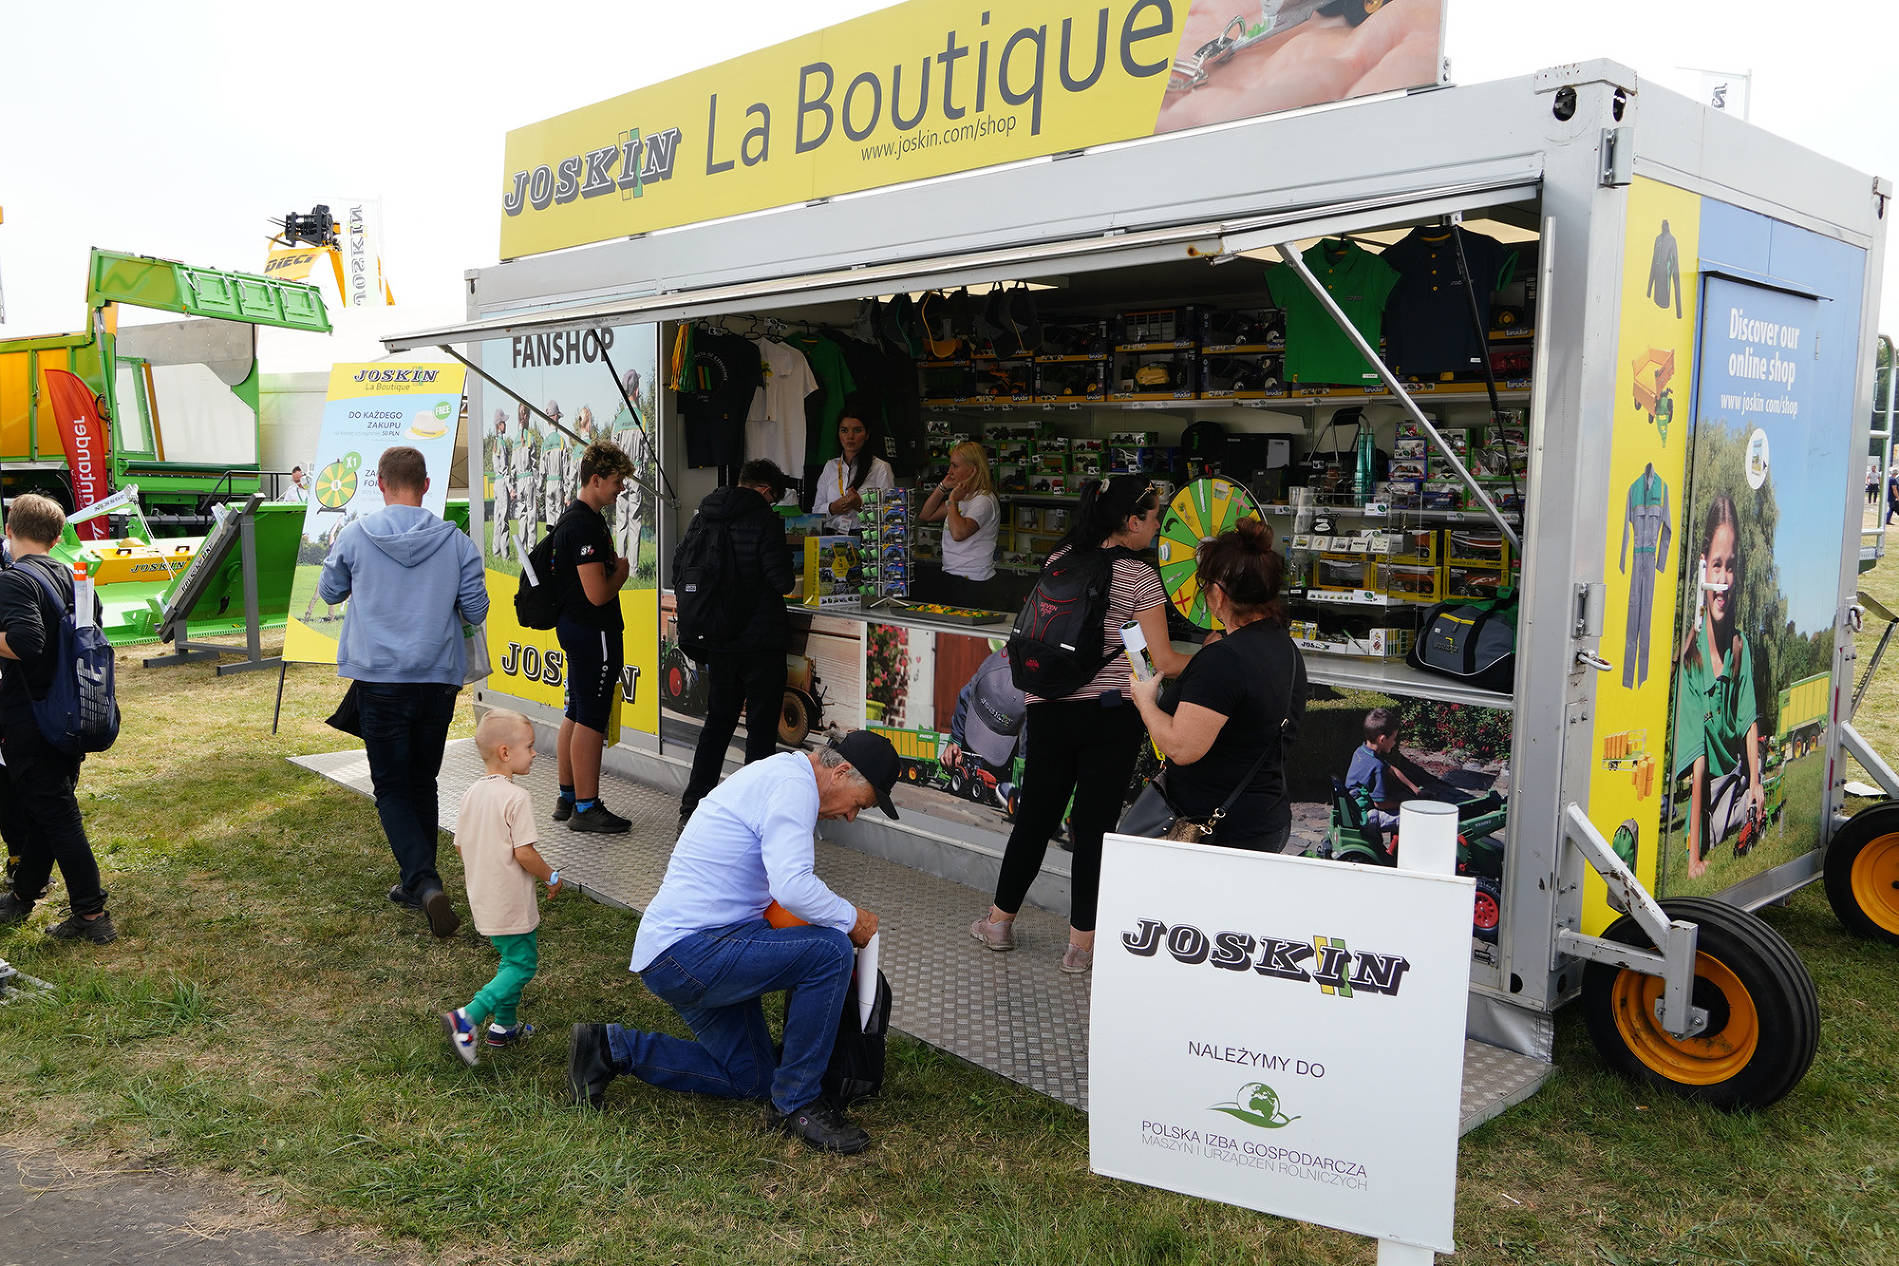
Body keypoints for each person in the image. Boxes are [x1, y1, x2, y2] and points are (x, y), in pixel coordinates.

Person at [567, 732, 899, 1155]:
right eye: (859, 804)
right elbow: (793, 887)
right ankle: (798, 1102)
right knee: (830, 951)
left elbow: (783, 892)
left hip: (685, 951)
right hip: (690, 953)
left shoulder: (783, 776)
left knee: (754, 1079)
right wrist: (852, 918)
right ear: (841, 772)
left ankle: (608, 1048)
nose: (851, 817)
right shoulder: (794, 787)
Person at [968, 475, 1193, 973]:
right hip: (1110, 716)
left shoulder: (1061, 556)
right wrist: (1215, 653)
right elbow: (1162, 661)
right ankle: (1080, 949)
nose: (1158, 526)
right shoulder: (1140, 576)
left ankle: (999, 923)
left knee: (1034, 818)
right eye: (1154, 517)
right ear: (1131, 522)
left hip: (1049, 706)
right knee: (1092, 829)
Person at [319, 446, 488, 937]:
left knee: (392, 787)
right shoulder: (456, 542)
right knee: (423, 781)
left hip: (379, 679)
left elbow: (328, 592)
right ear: (426, 485)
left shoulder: (354, 535)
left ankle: (424, 881)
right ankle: (418, 883)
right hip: (437, 678)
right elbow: (476, 611)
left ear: (380, 483)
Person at [1129, 518, 1307, 852]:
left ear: (1218, 594)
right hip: (1265, 818)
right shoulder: (1284, 648)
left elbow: (1181, 747)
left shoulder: (1225, 659)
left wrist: (1146, 702)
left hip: (1217, 830)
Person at [0, 493, 116, 943]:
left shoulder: (14, 580)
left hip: (33, 716)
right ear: (58, 535)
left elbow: (26, 643)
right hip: (75, 711)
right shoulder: (73, 577)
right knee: (48, 810)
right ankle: (23, 895)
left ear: (10, 529)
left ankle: (90, 914)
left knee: (58, 814)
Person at [677, 459, 798, 830]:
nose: (772, 504)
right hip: (761, 641)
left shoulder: (704, 515)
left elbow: (680, 566)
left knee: (717, 725)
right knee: (760, 732)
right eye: (773, 498)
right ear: (765, 490)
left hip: (719, 640)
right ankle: (752, 818)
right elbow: (782, 581)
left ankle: (692, 810)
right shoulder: (764, 520)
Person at [442, 709, 564, 1064]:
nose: (535, 753)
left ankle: (504, 1026)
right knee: (522, 965)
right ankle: (468, 1017)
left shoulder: (471, 793)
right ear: (506, 752)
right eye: (529, 746)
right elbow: (524, 852)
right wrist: (550, 876)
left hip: (483, 895)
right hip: (510, 899)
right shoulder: (516, 797)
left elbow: (461, 845)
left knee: (511, 959)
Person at [1674, 494, 1764, 879]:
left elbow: (1748, 719)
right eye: (1716, 565)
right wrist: (1694, 857)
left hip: (1737, 775)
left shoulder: (1740, 646)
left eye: (1730, 567)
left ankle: (1749, 800)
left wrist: (1756, 783)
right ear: (1703, 568)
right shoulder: (1691, 661)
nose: (1723, 580)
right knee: (1718, 828)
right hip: (1708, 789)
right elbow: (1697, 761)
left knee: (1754, 803)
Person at [550, 440, 637, 834]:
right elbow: (598, 593)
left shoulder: (578, 517)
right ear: (596, 479)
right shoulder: (583, 524)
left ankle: (568, 797)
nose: (621, 489)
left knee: (576, 710)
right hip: (593, 632)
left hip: (577, 629)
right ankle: (586, 807)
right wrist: (622, 572)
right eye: (617, 481)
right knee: (591, 718)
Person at [1345, 708, 1450, 847]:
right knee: (1413, 816)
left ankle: (1396, 849)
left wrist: (1416, 790)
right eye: (1394, 739)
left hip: (1354, 809)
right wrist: (1406, 804)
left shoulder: (1362, 751)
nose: (1395, 742)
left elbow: (1393, 770)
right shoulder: (1377, 766)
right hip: (1367, 816)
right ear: (1382, 739)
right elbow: (1380, 804)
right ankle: (1405, 850)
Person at [918, 440, 1001, 608]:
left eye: (955, 466)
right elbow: (926, 515)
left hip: (973, 581)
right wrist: (942, 487)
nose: (950, 471)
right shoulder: (964, 496)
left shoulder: (983, 500)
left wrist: (952, 500)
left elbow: (959, 533)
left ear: (972, 470)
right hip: (953, 575)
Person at [811, 403, 895, 532]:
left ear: (867, 434)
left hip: (865, 538)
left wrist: (860, 505)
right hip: (832, 537)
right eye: (844, 430)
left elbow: (889, 516)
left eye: (857, 430)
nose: (850, 436)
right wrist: (832, 508)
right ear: (838, 434)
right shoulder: (830, 466)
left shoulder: (880, 468)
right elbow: (815, 512)